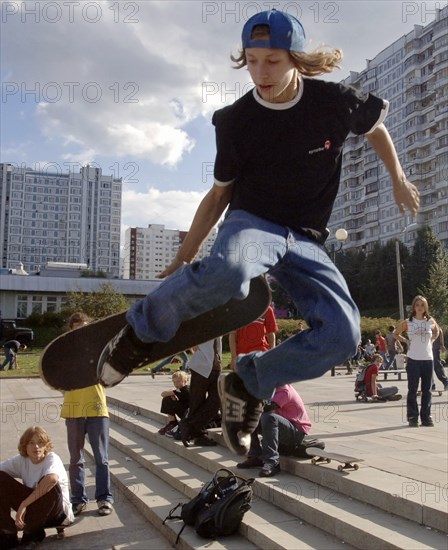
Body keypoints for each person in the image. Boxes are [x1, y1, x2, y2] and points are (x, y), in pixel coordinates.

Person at [97, 9, 420, 456]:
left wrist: (398, 178)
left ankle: (248, 383)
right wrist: (185, 256)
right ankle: (137, 334)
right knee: (231, 271)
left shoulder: (334, 101)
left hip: (307, 238)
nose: (261, 73)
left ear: (295, 59)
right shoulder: (236, 121)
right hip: (254, 223)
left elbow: (376, 128)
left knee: (342, 335)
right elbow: (217, 197)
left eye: (272, 61)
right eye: (252, 60)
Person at [61, 312, 114, 517]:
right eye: (77, 327)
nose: (82, 330)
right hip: (73, 409)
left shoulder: (101, 349)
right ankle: (78, 500)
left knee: (102, 458)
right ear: (71, 329)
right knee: (76, 459)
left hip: (97, 408)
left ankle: (104, 499)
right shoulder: (64, 351)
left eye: (85, 326)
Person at [0, 426, 74, 549]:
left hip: (56, 513)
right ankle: (7, 533)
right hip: (33, 511)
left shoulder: (52, 458)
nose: (36, 447)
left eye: (40, 443)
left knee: (51, 484)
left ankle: (31, 536)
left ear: (46, 445)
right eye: (31, 443)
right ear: (25, 446)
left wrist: (24, 504)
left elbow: (52, 479)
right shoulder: (22, 461)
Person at [236, 384, 312, 477]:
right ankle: (255, 456)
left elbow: (267, 408)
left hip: (296, 432)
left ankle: (272, 462)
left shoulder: (283, 390)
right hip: (281, 428)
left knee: (268, 417)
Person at [394, 296, 439, 427]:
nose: (420, 307)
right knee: (412, 389)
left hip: (428, 359)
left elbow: (437, 331)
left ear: (426, 307)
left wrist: (433, 340)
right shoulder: (408, 322)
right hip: (413, 359)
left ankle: (426, 417)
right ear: (414, 307)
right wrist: (406, 341)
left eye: (422, 305)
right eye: (417, 305)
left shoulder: (430, 321)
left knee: (427, 390)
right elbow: (395, 334)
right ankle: (413, 417)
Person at [178, 339, 222, 447]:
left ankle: (188, 424)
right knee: (197, 402)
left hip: (216, 367)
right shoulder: (203, 322)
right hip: (200, 366)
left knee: (216, 402)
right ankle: (198, 436)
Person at [229, 305, 278, 370]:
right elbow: (232, 334)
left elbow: (271, 333)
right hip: (242, 356)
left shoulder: (266, 308)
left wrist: (272, 354)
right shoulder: (236, 309)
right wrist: (234, 357)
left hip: (261, 354)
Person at [158, 370, 190, 436]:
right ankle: (172, 423)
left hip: (189, 415)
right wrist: (174, 398)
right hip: (185, 411)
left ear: (185, 381)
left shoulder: (185, 389)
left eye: (178, 381)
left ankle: (173, 423)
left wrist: (172, 393)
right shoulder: (182, 389)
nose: (176, 384)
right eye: (174, 382)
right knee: (168, 398)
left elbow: (163, 394)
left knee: (167, 399)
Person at [432, 323, 448, 391]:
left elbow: (440, 330)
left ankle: (445, 382)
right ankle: (431, 385)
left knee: (436, 364)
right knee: (426, 367)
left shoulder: (430, 321)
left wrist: (441, 344)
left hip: (434, 346)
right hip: (424, 348)